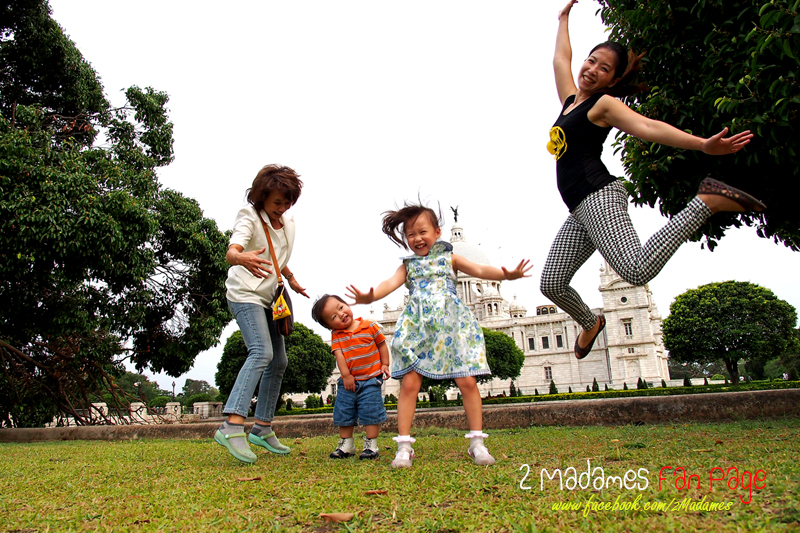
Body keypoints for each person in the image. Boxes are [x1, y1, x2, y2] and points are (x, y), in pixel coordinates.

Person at [543, 0, 767, 360]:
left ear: (613, 80)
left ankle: (706, 201)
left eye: (604, 69)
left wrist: (702, 145)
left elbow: (647, 127)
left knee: (635, 269)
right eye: (591, 61)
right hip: (579, 210)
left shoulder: (603, 105)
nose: (592, 70)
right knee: (552, 282)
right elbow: (560, 60)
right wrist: (563, 18)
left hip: (599, 197)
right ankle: (590, 323)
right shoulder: (570, 101)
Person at [347, 203, 532, 468]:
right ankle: (404, 446)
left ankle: (477, 443)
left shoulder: (451, 259)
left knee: (467, 382)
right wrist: (371, 296)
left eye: (422, 232)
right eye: (410, 234)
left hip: (452, 328)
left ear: (437, 232)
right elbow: (389, 284)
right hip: (419, 330)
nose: (417, 238)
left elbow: (480, 271)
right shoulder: (408, 266)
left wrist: (507, 274)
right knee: (409, 384)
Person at [214, 164, 309, 464]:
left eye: (288, 202)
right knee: (261, 351)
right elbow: (232, 251)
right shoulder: (249, 217)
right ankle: (231, 425)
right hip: (244, 294)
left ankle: (262, 428)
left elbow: (276, 254)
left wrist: (290, 278)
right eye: (277, 202)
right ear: (261, 197)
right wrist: (240, 257)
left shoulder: (288, 224)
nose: (282, 208)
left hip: (270, 298)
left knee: (279, 360)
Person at [311, 294, 390, 460]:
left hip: (371, 379)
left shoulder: (370, 326)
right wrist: (346, 376)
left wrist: (385, 364)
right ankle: (347, 444)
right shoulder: (337, 335)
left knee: (371, 412)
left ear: (346, 304)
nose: (341, 314)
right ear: (329, 326)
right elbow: (339, 355)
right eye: (334, 316)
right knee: (344, 411)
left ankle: (371, 445)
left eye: (341, 307)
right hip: (349, 383)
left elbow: (382, 345)